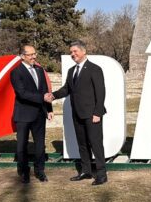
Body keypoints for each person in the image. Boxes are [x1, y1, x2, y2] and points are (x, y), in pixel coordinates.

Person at [45, 40, 108, 185]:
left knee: (96, 144)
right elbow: (66, 89)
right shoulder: (71, 71)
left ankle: (101, 174)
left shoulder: (94, 69)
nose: (73, 54)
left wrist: (97, 113)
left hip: (92, 115)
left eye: (75, 51)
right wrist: (53, 95)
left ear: (83, 51)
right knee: (82, 144)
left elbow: (101, 92)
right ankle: (86, 171)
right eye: (71, 52)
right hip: (77, 114)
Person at [10, 45, 54, 184]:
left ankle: (40, 171)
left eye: (35, 54)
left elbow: (45, 91)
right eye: (30, 55)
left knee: (40, 145)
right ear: (22, 56)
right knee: (21, 146)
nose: (34, 57)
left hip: (39, 114)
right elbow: (22, 93)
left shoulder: (40, 70)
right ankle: (24, 171)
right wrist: (42, 98)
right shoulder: (16, 72)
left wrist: (49, 109)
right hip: (23, 114)